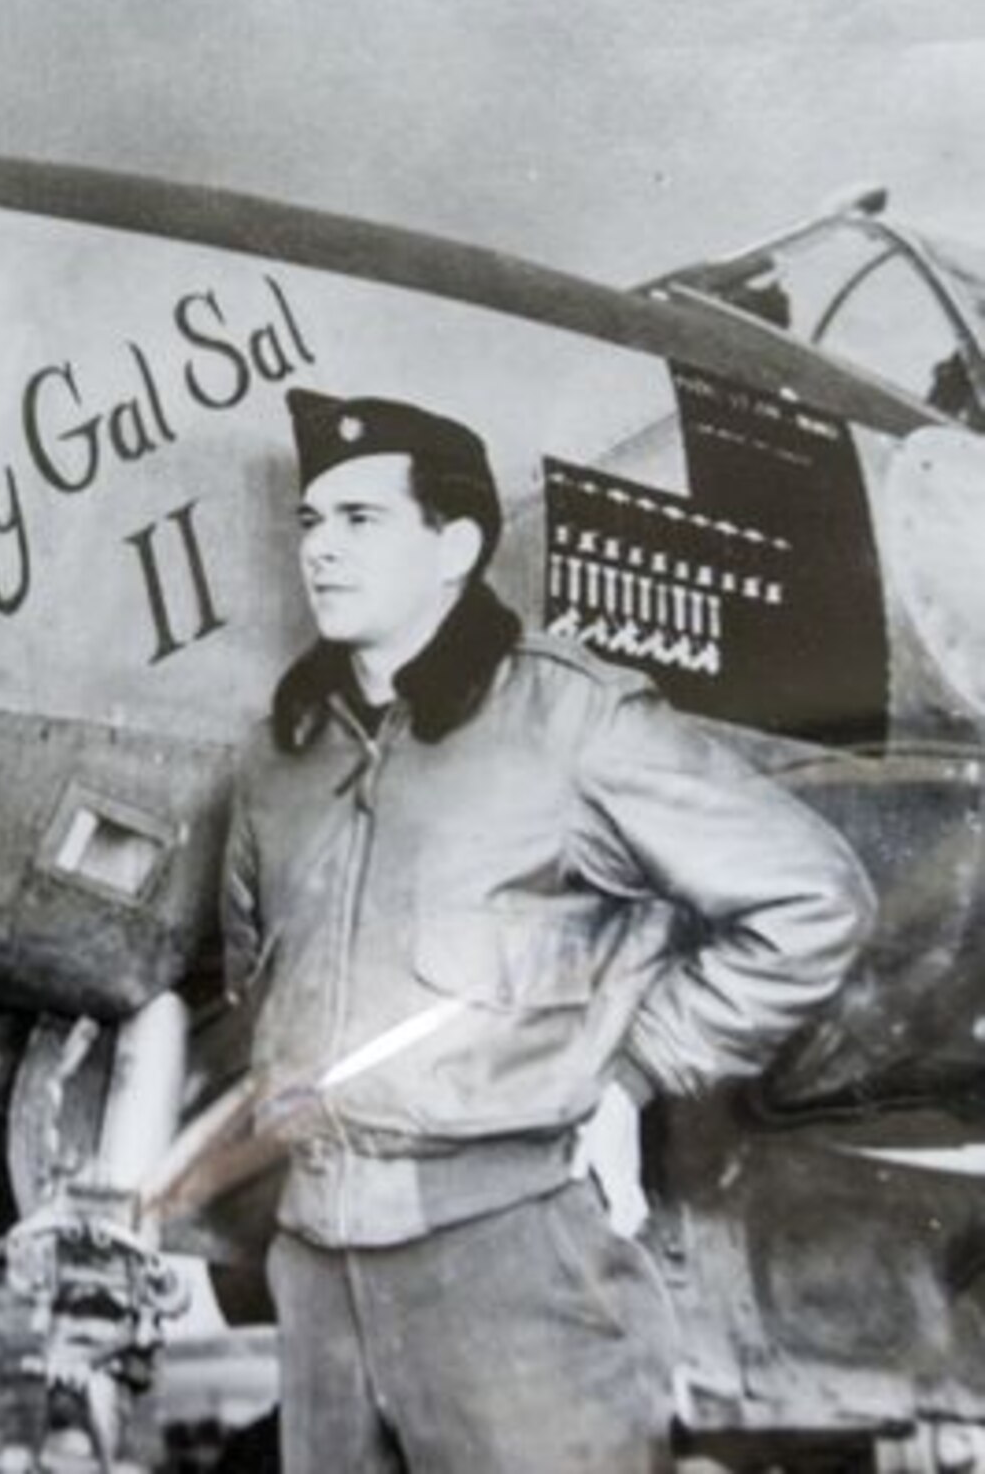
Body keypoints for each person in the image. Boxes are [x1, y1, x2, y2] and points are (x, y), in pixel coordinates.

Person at [220, 390, 875, 1473]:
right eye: (309, 524)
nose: (318, 552)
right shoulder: (279, 760)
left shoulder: (570, 722)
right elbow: (256, 985)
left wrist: (634, 1068)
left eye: (359, 521)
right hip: (316, 1257)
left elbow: (811, 899)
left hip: (508, 1248)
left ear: (456, 545)